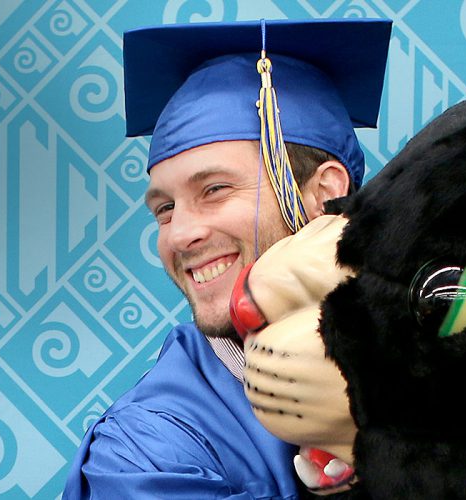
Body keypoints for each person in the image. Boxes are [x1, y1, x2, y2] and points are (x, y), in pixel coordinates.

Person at [63, 18, 391, 498]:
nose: (181, 234)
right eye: (164, 209)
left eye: (214, 189)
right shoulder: (145, 454)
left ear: (325, 193)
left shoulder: (459, 352)